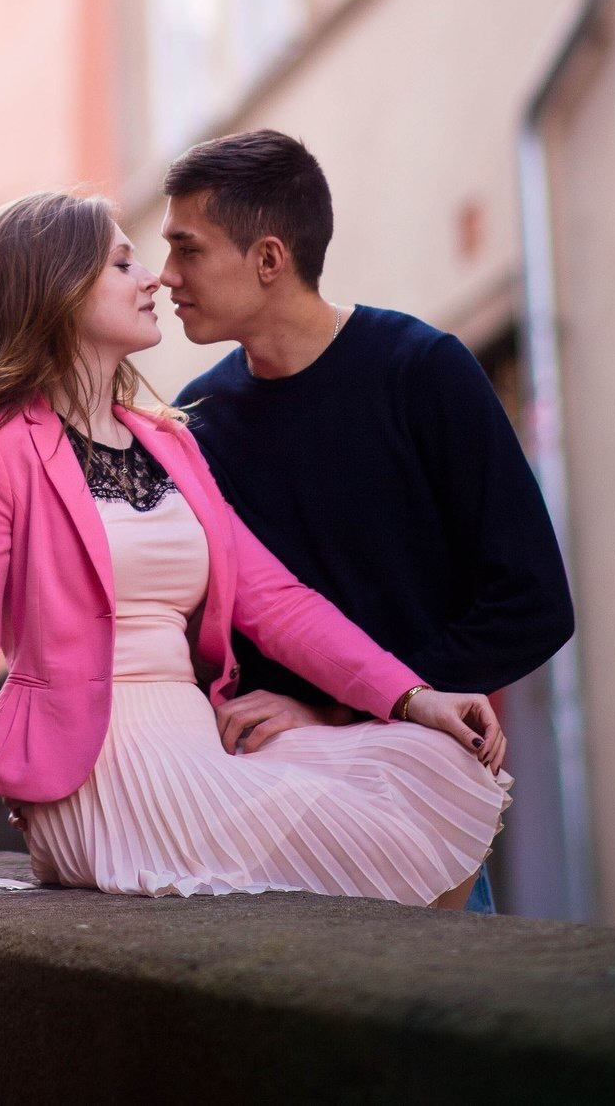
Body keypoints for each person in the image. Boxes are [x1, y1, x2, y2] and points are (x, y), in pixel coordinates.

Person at [0, 193, 508, 924]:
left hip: (197, 743)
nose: (154, 279)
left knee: (431, 762)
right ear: (55, 287)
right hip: (98, 768)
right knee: (377, 847)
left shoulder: (167, 440)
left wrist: (412, 696)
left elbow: (273, 598)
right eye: (121, 263)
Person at [159, 130, 576, 915]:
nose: (166, 276)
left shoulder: (423, 372)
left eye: (188, 250)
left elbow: (533, 601)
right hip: (273, 824)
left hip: (417, 817)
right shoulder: (201, 424)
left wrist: (342, 707)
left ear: (269, 259)